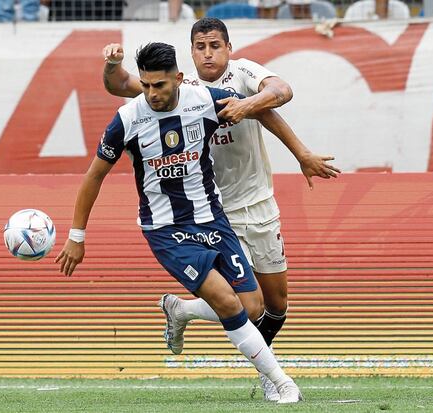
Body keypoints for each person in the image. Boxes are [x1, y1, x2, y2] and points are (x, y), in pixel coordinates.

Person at [101, 18, 340, 401]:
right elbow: (121, 85)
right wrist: (113, 64)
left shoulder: (242, 74)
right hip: (212, 211)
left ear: (228, 47)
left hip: (258, 202)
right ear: (191, 53)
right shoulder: (180, 88)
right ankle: (271, 377)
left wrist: (251, 109)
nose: (208, 53)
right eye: (200, 47)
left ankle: (184, 310)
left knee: (277, 306)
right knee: (246, 302)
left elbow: (280, 92)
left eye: (215, 45)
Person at [56, 42, 304, 404]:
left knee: (253, 306)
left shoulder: (203, 100)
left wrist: (301, 153)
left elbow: (263, 110)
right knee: (228, 303)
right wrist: (76, 235)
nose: (151, 94)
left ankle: (181, 309)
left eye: (159, 85)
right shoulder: (127, 119)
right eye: (145, 85)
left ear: (179, 79)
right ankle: (283, 383)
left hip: (213, 219)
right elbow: (94, 176)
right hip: (166, 230)